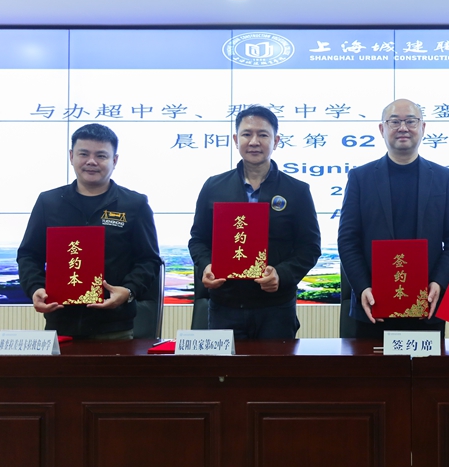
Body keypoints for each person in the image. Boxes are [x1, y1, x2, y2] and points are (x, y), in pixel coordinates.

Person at [337, 98, 449, 338]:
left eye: (411, 121)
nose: (403, 128)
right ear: (382, 129)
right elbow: (347, 239)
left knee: (426, 365)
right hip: (373, 307)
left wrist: (439, 282)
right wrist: (363, 287)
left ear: (423, 127)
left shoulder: (444, 178)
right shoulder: (360, 178)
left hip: (427, 305)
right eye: (395, 122)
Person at [16, 123, 161, 339]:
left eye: (101, 155)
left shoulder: (134, 204)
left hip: (115, 327)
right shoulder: (49, 202)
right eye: (84, 154)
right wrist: (35, 288)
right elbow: (28, 255)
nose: (91, 161)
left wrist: (128, 291)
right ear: (71, 156)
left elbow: (149, 260)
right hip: (60, 324)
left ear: (114, 160)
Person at [189, 105, 320, 339]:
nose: (254, 142)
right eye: (247, 134)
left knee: (274, 364)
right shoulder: (214, 187)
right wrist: (207, 265)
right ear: (235, 139)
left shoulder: (297, 191)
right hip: (225, 306)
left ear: (276, 141)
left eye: (263, 135)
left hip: (276, 308)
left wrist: (281, 274)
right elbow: (198, 240)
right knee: (225, 365)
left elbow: (309, 247)